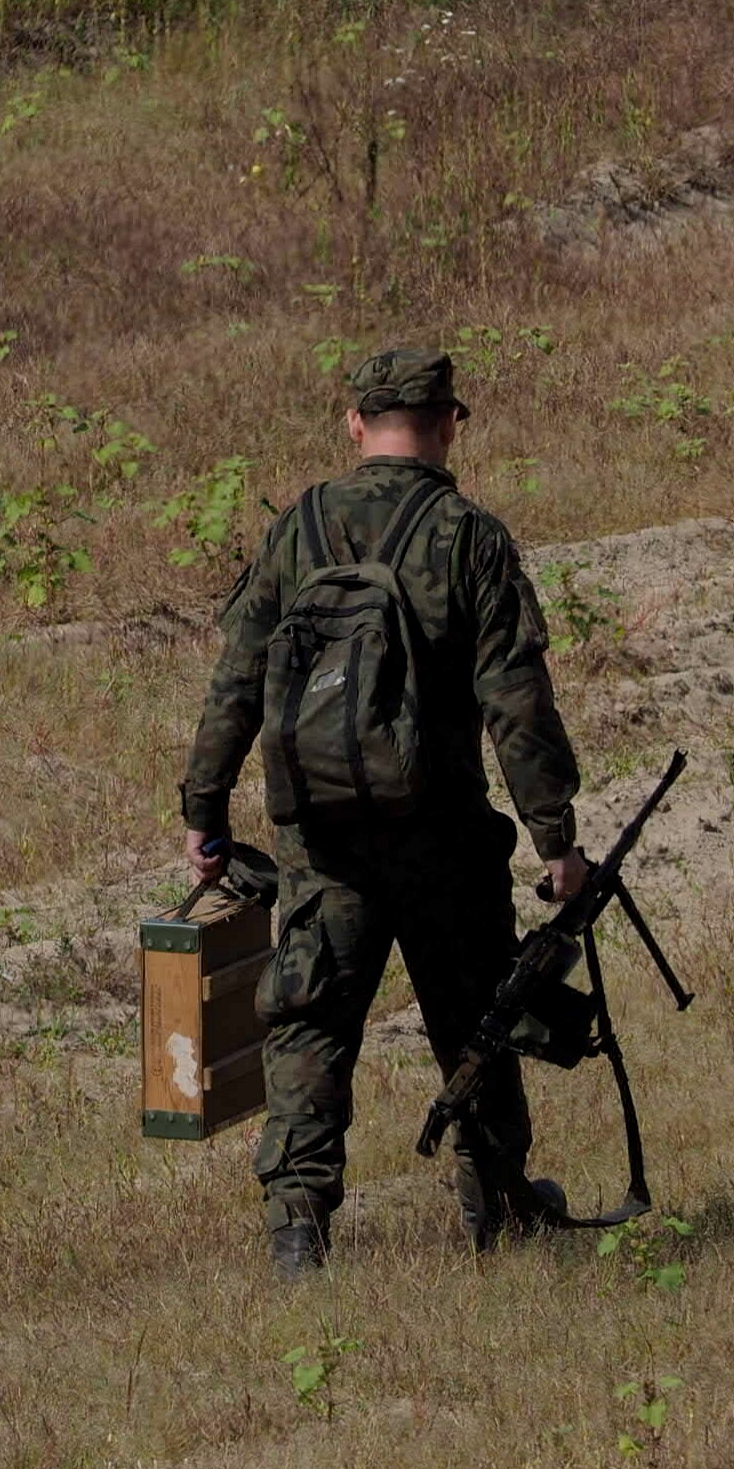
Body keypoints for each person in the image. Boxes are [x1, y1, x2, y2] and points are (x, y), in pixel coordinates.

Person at [179, 346, 590, 1277]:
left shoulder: (299, 529)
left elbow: (235, 682)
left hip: (321, 840)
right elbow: (516, 702)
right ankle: (499, 1206)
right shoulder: (468, 536)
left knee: (312, 1021)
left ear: (356, 425)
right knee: (475, 1018)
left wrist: (204, 810)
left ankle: (297, 1229)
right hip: (442, 837)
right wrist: (555, 839)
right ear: (449, 424)